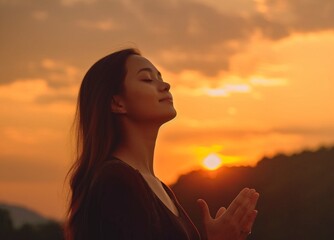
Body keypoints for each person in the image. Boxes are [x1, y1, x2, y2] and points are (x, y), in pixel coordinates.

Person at [65, 48, 259, 240]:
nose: (165, 85)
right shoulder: (115, 181)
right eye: (147, 79)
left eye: (160, 77)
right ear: (117, 103)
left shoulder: (159, 187)